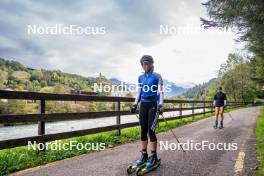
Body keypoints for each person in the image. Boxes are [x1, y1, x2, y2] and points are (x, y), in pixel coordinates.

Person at [130, 55, 164, 169]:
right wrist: (135, 104)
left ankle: (154, 156)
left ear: (151, 64)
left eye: (146, 64)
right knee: (143, 130)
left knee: (151, 130)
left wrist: (161, 104)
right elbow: (139, 92)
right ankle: (144, 155)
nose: (145, 66)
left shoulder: (157, 76)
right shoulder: (140, 77)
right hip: (143, 105)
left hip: (153, 105)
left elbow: (160, 92)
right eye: (143, 64)